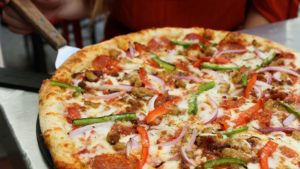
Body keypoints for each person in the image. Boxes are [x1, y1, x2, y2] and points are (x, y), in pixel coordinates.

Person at [1, 0, 299, 39]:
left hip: (223, 56)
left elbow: (268, 18)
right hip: (125, 62)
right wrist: (42, 8)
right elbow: (91, 4)